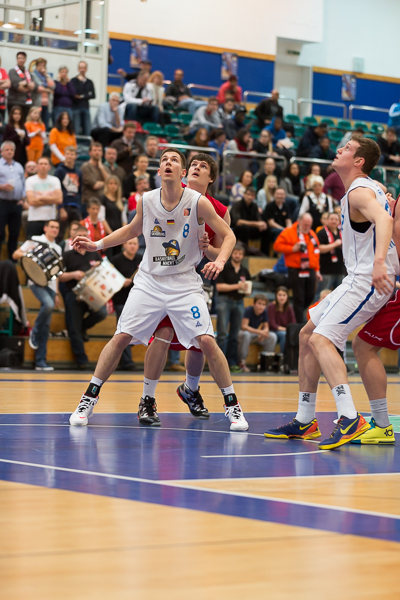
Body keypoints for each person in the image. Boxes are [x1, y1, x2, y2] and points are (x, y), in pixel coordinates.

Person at [69, 148, 249, 432]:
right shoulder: (147, 199)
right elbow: (131, 230)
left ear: (182, 172)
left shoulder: (199, 202)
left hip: (184, 283)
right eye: (164, 159)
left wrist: (220, 261)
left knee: (206, 341)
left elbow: (229, 236)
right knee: (120, 337)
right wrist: (97, 244)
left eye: (174, 160)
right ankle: (88, 399)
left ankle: (232, 406)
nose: (168, 163)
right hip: (150, 282)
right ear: (159, 170)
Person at [265, 136, 398, 450]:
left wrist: (380, 262)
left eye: (348, 148)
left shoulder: (360, 191)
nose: (339, 149)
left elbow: (384, 219)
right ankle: (305, 419)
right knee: (306, 335)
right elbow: (385, 208)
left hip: (368, 279)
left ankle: (350, 418)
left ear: (359, 161)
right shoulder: (372, 187)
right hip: (357, 277)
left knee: (321, 339)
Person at [134, 152, 231, 417]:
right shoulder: (171, 192)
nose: (197, 168)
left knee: (199, 341)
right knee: (163, 334)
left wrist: (208, 248)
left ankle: (191, 388)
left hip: (192, 278)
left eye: (203, 166)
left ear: (211, 178)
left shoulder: (220, 210)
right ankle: (147, 398)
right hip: (162, 277)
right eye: (194, 164)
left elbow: (220, 249)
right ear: (185, 172)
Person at [12, 219, 62, 371]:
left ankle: (40, 361)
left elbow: (56, 273)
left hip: (50, 285)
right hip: (35, 282)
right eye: (52, 227)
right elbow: (15, 254)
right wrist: (28, 253)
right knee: (48, 305)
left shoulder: (58, 248)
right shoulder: (35, 240)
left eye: (57, 227)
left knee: (46, 325)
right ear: (45, 228)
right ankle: (34, 331)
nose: (54, 229)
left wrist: (57, 293)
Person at [59, 225, 108, 369]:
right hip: (73, 294)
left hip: (92, 293)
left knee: (102, 313)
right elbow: (59, 276)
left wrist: (99, 268)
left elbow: (103, 274)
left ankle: (83, 327)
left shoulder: (94, 254)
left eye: (84, 235)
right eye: (79, 235)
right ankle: (82, 361)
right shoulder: (67, 255)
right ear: (73, 237)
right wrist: (73, 275)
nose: (82, 238)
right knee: (74, 328)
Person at [274, 213, 322, 323]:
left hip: (310, 269)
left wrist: (317, 270)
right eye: (305, 225)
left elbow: (316, 253)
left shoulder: (312, 234)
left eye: (309, 225)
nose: (307, 227)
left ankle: (297, 315)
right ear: (299, 221)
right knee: (299, 297)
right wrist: (292, 248)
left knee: (310, 295)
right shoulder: (289, 231)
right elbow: (277, 246)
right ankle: (299, 323)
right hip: (295, 269)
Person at [215, 244, 251, 371]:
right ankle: (219, 363)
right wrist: (238, 286)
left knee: (235, 335)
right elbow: (219, 287)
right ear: (232, 254)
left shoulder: (244, 271)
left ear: (243, 256)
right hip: (225, 301)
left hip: (239, 302)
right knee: (222, 334)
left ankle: (231, 363)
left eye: (240, 253)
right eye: (235, 253)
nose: (237, 255)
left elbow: (248, 289)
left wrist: (246, 290)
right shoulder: (224, 267)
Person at [110, 237, 141, 371]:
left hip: (138, 302)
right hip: (121, 301)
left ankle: (124, 357)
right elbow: (109, 278)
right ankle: (127, 362)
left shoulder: (141, 260)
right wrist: (120, 281)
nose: (132, 246)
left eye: (135, 244)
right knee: (125, 331)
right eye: (130, 243)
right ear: (124, 245)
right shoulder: (116, 260)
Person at [238, 294, 278, 372]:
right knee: (246, 335)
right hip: (245, 333)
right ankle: (242, 362)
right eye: (259, 303)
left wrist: (263, 334)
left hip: (255, 334)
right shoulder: (249, 310)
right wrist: (260, 332)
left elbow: (266, 328)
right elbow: (244, 326)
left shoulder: (264, 312)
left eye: (263, 304)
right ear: (254, 304)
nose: (261, 307)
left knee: (272, 337)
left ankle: (266, 363)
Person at [25, 156, 62, 238]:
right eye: (41, 164)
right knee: (32, 244)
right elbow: (31, 201)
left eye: (45, 164)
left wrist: (40, 198)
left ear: (49, 167)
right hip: (34, 219)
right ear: (37, 166)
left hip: (50, 219)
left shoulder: (55, 180)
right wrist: (51, 199)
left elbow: (59, 199)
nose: (43, 166)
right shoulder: (30, 180)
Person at [0, 141, 26, 259]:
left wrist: (23, 198)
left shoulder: (19, 166)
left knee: (15, 232)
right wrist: (1, 187)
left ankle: (12, 258)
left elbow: (24, 184)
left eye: (11, 150)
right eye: (7, 149)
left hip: (17, 204)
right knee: (0, 232)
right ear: (2, 151)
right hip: (2, 203)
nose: (10, 152)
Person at [54, 146, 82, 239]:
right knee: (60, 233)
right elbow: (57, 191)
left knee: (76, 232)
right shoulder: (59, 170)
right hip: (64, 205)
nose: (70, 156)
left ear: (76, 156)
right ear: (64, 155)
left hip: (76, 205)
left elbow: (80, 190)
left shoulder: (78, 171)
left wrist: (79, 206)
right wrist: (61, 208)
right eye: (68, 154)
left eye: (72, 154)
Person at [317, 211, 344, 291]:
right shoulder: (321, 232)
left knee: (339, 293)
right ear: (327, 220)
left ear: (339, 221)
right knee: (323, 293)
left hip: (340, 269)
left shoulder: (342, 233)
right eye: (332, 219)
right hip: (326, 271)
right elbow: (319, 248)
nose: (334, 221)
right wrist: (334, 244)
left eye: (336, 219)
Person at [8, 51, 37, 118]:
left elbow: (33, 86)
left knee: (24, 122)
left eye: (23, 58)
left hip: (26, 103)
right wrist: (28, 85)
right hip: (14, 102)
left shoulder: (28, 73)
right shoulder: (12, 71)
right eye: (19, 58)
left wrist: (24, 84)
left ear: (25, 59)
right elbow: (16, 86)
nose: (21, 60)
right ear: (17, 59)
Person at [267, 286, 296, 352]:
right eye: (279, 295)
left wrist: (288, 330)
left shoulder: (289, 307)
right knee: (284, 334)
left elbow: (293, 323)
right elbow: (272, 324)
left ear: (287, 297)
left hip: (285, 331)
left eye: (284, 295)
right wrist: (286, 329)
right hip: (273, 331)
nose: (282, 297)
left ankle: (293, 356)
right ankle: (284, 355)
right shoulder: (271, 306)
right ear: (276, 296)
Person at [71, 61, 95, 136]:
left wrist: (81, 96)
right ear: (78, 69)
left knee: (87, 129)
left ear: (86, 69)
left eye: (84, 68)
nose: (82, 70)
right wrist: (80, 83)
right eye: (81, 68)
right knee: (76, 129)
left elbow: (93, 95)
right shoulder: (73, 80)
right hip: (76, 108)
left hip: (86, 107)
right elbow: (74, 94)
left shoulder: (89, 82)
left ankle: (86, 143)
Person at [30, 57, 54, 130]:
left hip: (47, 104)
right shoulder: (33, 75)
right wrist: (48, 90)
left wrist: (46, 75)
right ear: (36, 66)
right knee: (37, 123)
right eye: (40, 65)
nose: (42, 67)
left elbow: (53, 86)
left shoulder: (47, 75)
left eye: (43, 65)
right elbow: (38, 86)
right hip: (37, 103)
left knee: (45, 124)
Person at [0, 57, 11, 123]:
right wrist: (2, 81)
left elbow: (8, 84)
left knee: (2, 123)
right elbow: (5, 82)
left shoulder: (3, 71)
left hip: (2, 103)